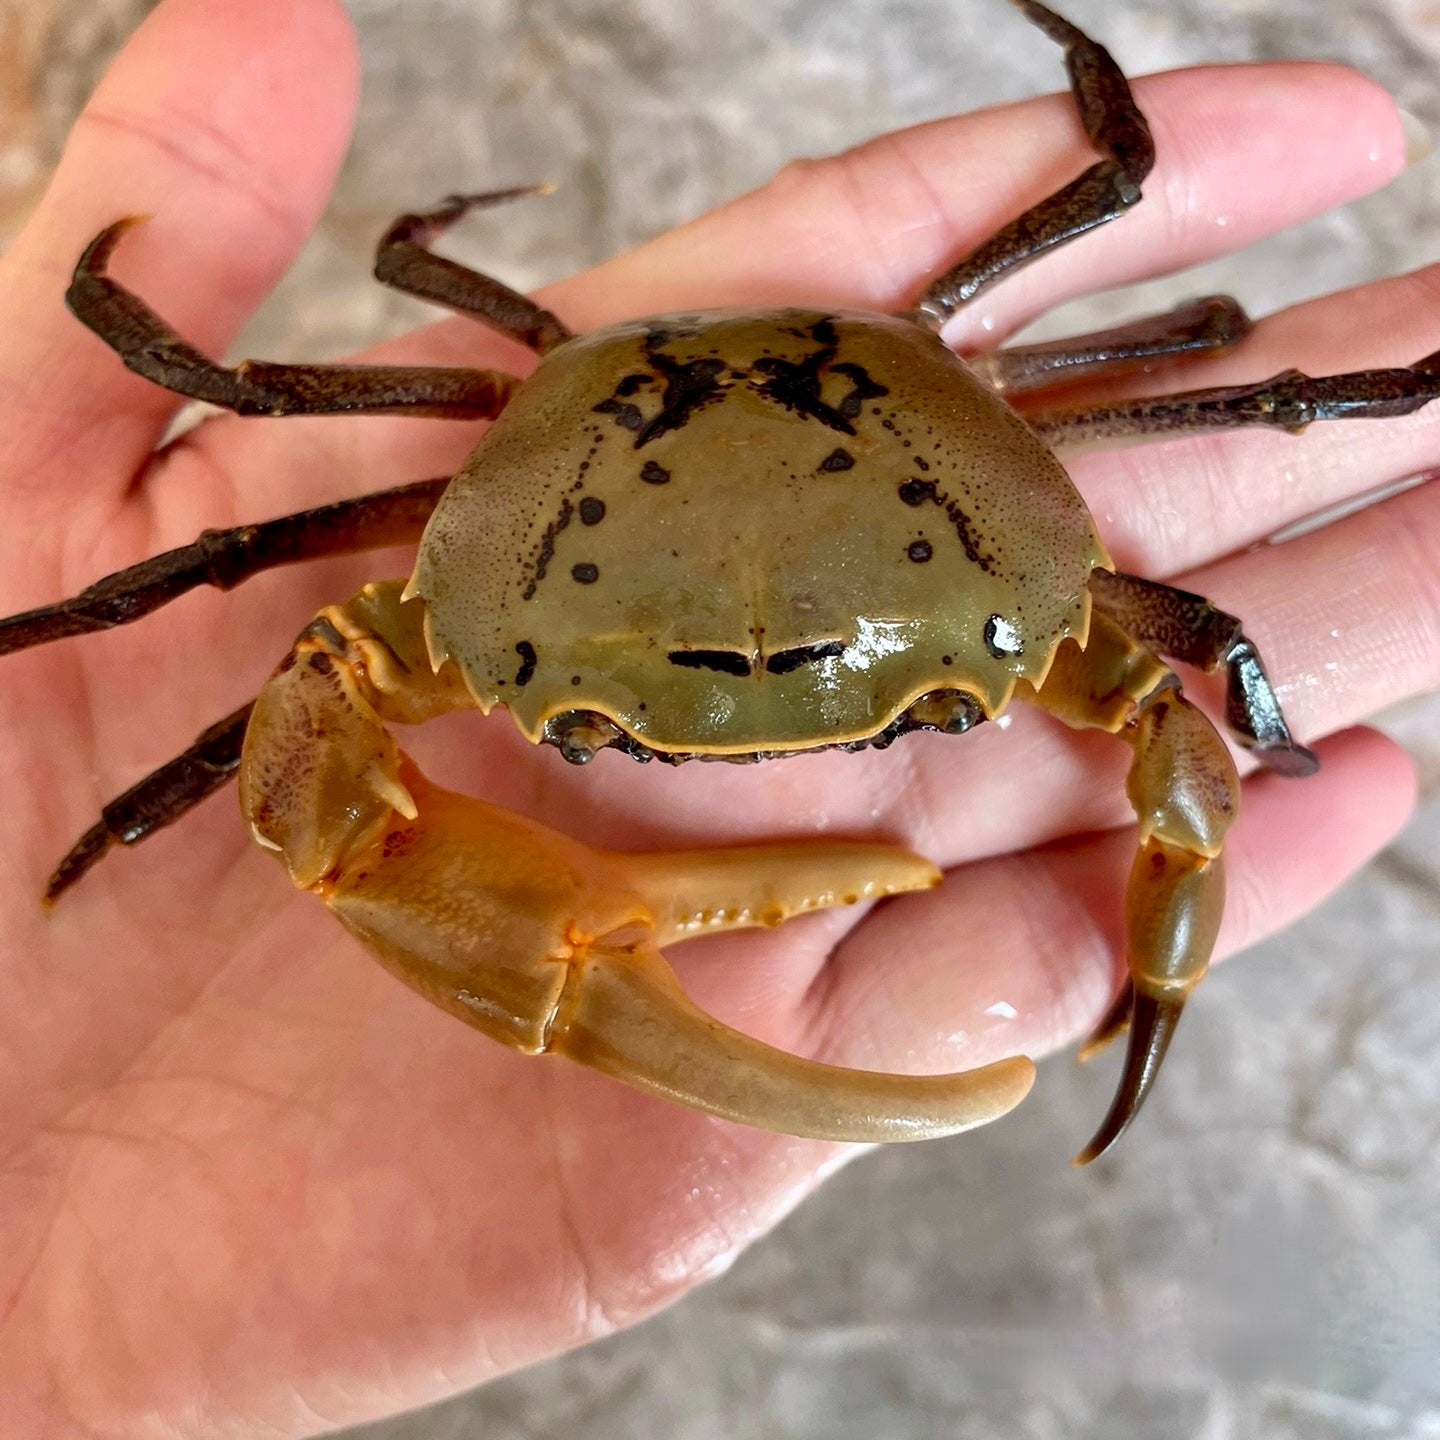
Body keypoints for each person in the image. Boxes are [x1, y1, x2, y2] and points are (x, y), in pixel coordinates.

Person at [0, 0, 1434, 1435]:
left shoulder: (1069, 589)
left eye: (933, 700)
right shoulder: (384, 638)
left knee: (1227, 534)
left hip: (814, 415)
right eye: (602, 726)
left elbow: (1135, 188)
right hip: (831, 417)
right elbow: (282, 661)